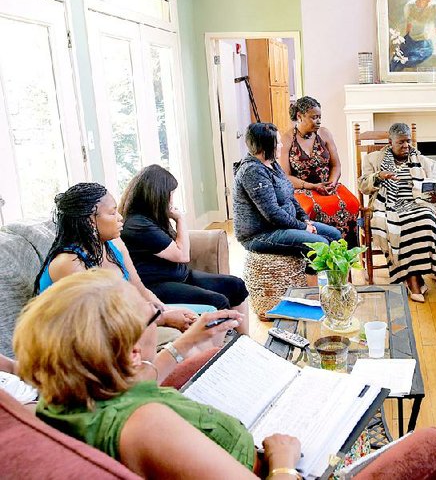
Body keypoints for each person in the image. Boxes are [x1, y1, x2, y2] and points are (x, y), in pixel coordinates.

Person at [14, 269, 302, 479]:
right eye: (153, 315)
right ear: (132, 354)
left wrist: (186, 342)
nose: (158, 311)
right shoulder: (146, 425)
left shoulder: (66, 397)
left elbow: (126, 385)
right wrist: (282, 459)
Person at [33, 182, 200, 332]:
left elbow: (140, 291)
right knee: (188, 337)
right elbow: (100, 322)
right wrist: (162, 318)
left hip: (120, 324)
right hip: (78, 340)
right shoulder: (69, 263)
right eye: (112, 213)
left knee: (199, 324)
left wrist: (167, 310)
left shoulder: (115, 243)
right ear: (90, 221)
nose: (120, 218)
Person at [120, 165, 249, 335]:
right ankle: (224, 350)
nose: (171, 200)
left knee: (236, 285)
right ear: (157, 195)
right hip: (158, 285)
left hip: (181, 276)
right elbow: (182, 254)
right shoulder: (138, 225)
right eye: (170, 194)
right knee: (218, 301)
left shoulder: (152, 217)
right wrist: (180, 219)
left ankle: (246, 341)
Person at [358, 122, 436, 301]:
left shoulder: (423, 161)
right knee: (395, 224)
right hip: (386, 205)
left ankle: (413, 277)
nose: (406, 146)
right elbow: (363, 186)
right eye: (401, 142)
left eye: (408, 141)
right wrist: (378, 177)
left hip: (416, 203)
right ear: (390, 142)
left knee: (427, 219)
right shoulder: (373, 159)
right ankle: (414, 280)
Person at [234, 122, 341, 265]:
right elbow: (272, 213)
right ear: (265, 145)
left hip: (282, 226)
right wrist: (303, 227)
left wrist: (304, 219)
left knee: (335, 235)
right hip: (261, 234)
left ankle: (336, 283)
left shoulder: (271, 163)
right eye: (277, 143)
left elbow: (290, 196)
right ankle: (315, 285)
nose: (281, 145)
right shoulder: (252, 171)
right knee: (320, 244)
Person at [278, 96, 360, 247]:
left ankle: (345, 258)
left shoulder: (325, 134)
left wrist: (332, 182)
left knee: (351, 202)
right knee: (311, 209)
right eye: (313, 117)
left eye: (319, 117)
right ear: (299, 116)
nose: (318, 121)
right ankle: (316, 258)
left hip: (328, 186)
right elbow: (285, 176)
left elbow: (336, 166)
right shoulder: (287, 139)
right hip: (302, 189)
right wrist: (312, 186)